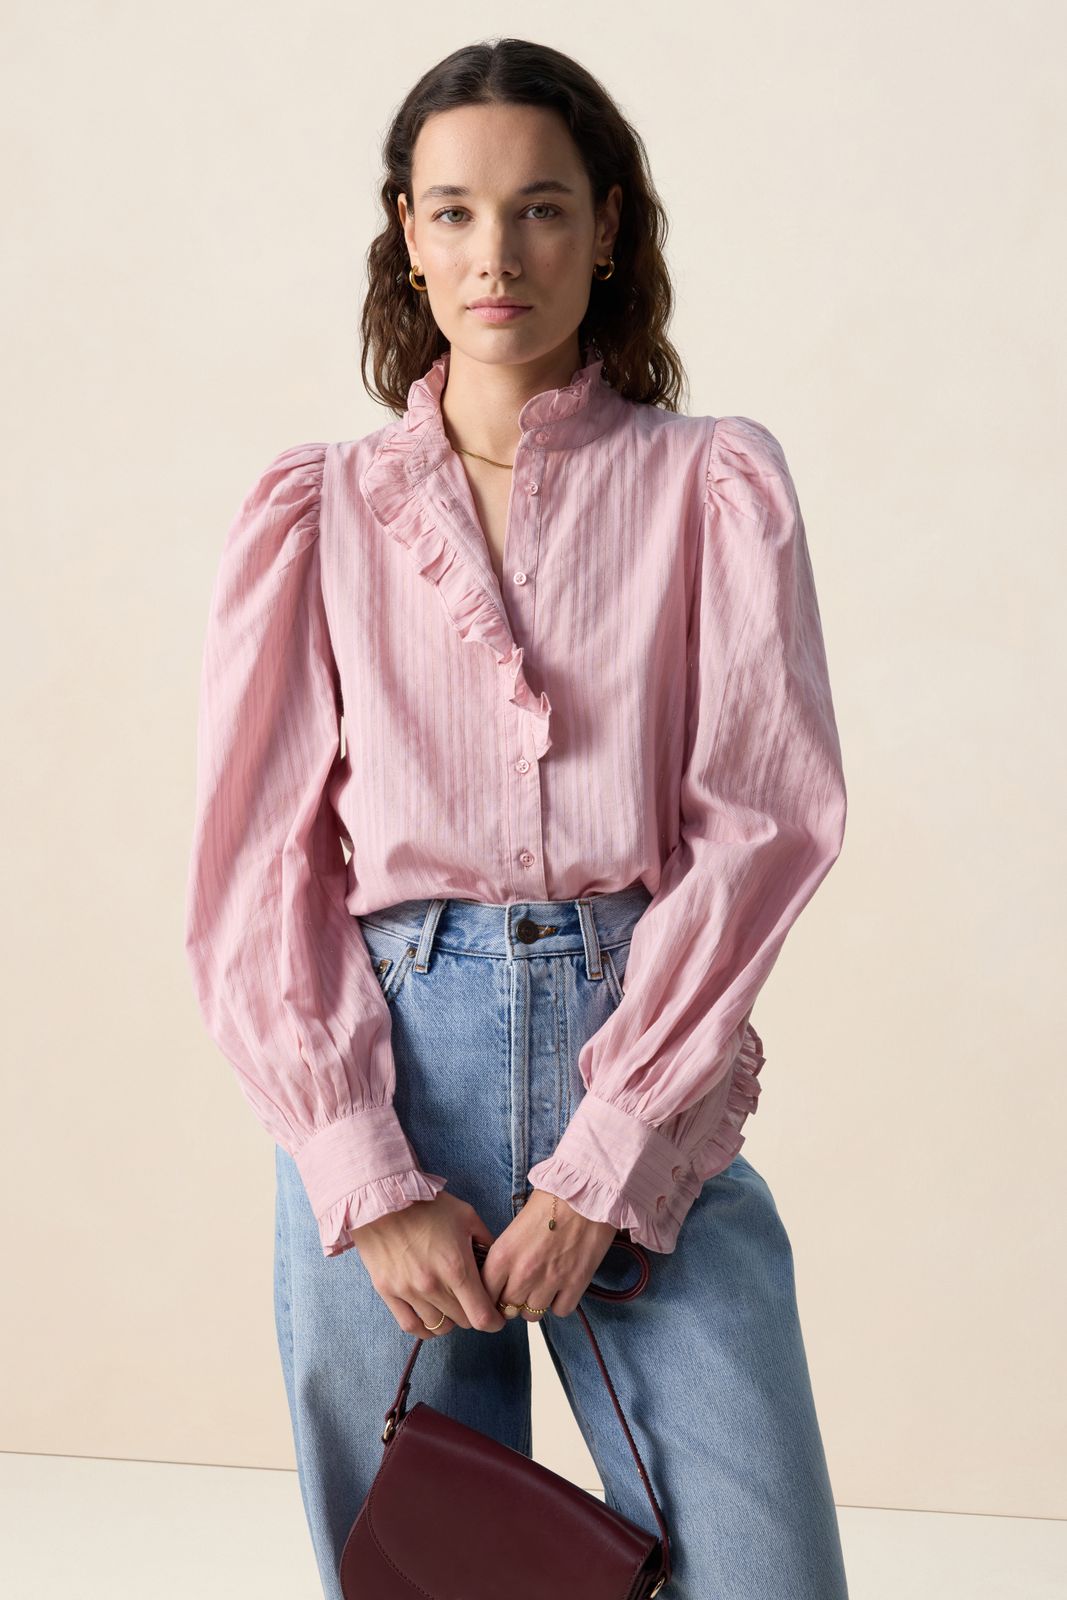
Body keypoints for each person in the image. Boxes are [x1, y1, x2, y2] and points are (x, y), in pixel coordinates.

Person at [183, 36, 851, 1600]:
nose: (499, 252)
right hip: (387, 1066)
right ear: (408, 237)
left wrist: (606, 1158)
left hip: (644, 1053)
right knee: (443, 1571)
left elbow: (762, 824)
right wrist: (364, 1171)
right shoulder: (318, 511)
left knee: (767, 1572)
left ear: (607, 227)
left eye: (543, 208)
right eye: (458, 212)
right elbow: (258, 872)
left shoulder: (712, 485)